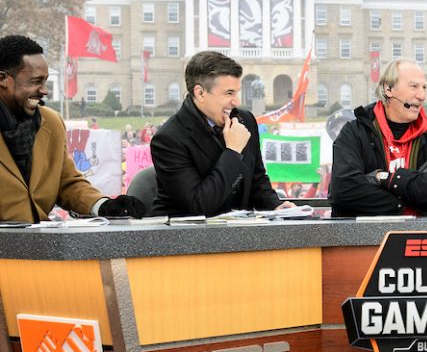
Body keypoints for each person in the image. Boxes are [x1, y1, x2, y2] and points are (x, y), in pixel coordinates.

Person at [0, 35, 144, 223]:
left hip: (40, 246)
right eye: (36, 82)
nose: (44, 90)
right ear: (3, 79)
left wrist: (103, 205)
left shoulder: (51, 122)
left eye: (45, 81)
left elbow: (67, 182)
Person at [150, 50, 292, 216]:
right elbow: (199, 206)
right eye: (229, 93)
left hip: (239, 233)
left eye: (237, 93)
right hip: (186, 236)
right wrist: (232, 151)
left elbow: (257, 180)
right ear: (200, 93)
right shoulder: (169, 139)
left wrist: (274, 206)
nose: (236, 102)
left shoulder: (245, 120)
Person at [329, 58, 427, 217]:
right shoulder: (355, 131)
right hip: (368, 239)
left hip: (421, 237)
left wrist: (385, 179)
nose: (422, 95)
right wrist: (409, 201)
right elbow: (343, 190)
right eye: (414, 86)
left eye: (424, 87)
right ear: (388, 89)